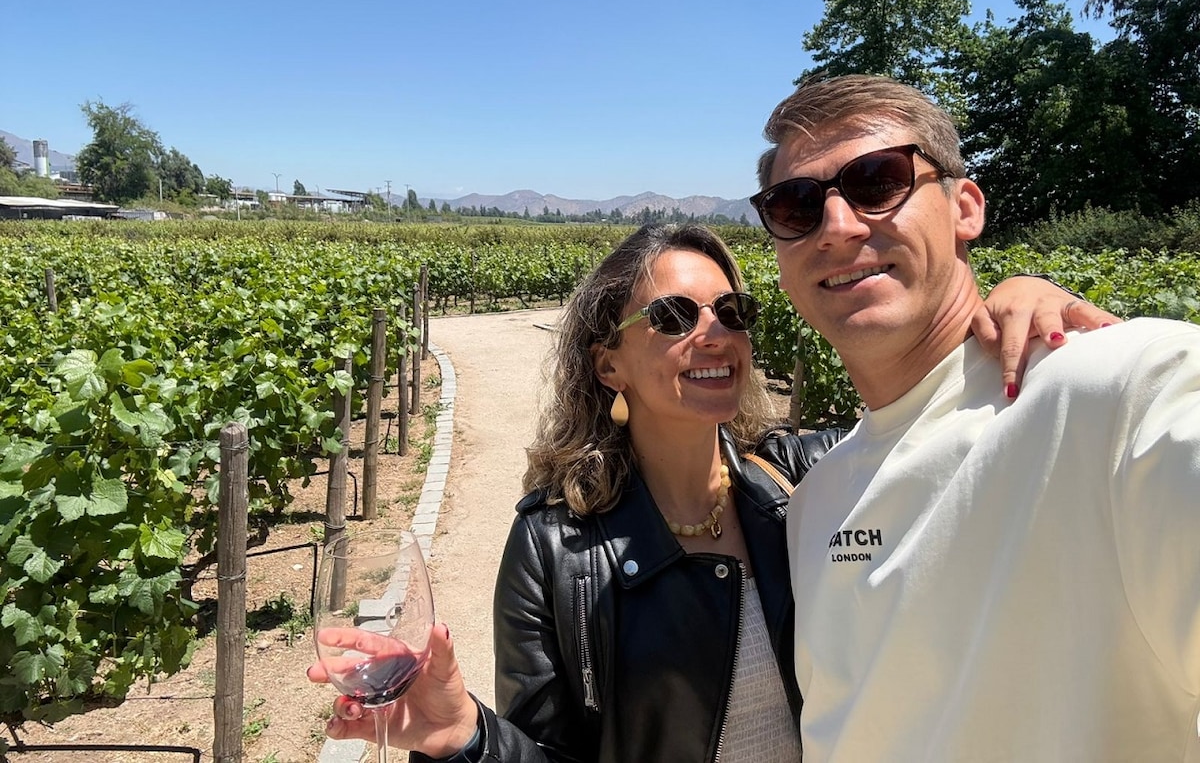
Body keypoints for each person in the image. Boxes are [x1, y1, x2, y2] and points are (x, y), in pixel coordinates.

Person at [309, 223, 1111, 762]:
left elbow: (941, 433)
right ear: (608, 364)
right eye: (672, 316)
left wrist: (1009, 304)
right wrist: (463, 735)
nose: (716, 331)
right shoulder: (554, 546)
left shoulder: (805, 477)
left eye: (732, 310)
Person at [752, 73, 1200, 761]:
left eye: (878, 181)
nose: (837, 227)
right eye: (796, 206)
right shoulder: (816, 502)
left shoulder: (1126, 392)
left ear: (965, 208)